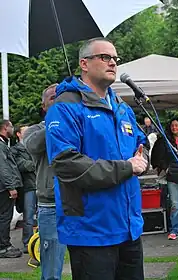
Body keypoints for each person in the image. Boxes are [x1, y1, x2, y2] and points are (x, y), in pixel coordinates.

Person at [45, 37, 149, 280]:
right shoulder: (65, 107)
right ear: (84, 63)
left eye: (115, 58)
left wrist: (144, 156)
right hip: (91, 230)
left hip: (129, 228)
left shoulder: (123, 108)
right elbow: (66, 164)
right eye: (104, 57)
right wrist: (126, 167)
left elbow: (139, 144)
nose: (112, 62)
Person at [23, 85, 66, 280]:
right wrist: (55, 121)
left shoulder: (74, 124)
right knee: (51, 269)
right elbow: (32, 145)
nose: (57, 100)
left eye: (61, 96)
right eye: (52, 98)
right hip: (51, 205)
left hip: (79, 202)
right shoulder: (36, 129)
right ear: (43, 106)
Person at [11, 125, 37, 253]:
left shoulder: (35, 145)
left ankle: (39, 242)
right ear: (18, 134)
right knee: (29, 216)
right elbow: (23, 165)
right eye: (25, 131)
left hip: (38, 184)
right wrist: (38, 163)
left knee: (42, 215)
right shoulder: (16, 150)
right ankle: (28, 243)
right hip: (28, 186)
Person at [0, 119, 23, 258]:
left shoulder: (3, 145)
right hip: (4, 189)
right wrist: (11, 187)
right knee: (4, 217)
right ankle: (4, 247)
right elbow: (3, 168)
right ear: (5, 128)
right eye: (11, 126)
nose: (13, 129)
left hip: (4, 187)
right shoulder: (1, 146)